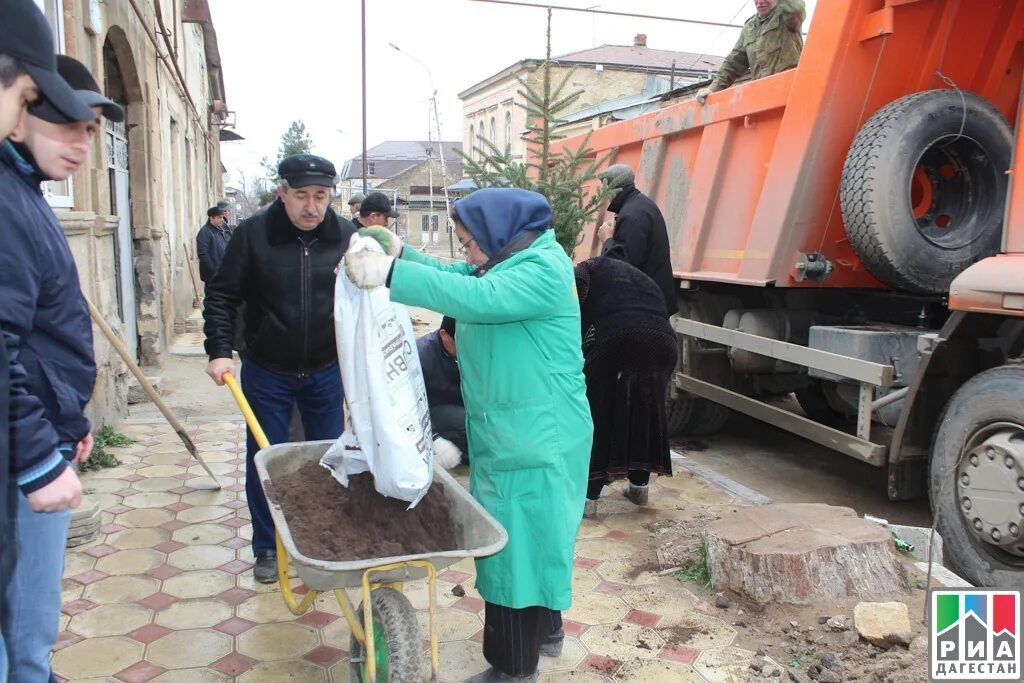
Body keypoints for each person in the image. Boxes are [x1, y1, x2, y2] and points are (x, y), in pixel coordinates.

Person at [347, 189, 593, 683]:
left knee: (513, 548)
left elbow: (477, 297)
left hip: (536, 435)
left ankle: (512, 667)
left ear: (501, 233)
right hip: (522, 428)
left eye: (469, 243)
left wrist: (391, 274)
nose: (467, 254)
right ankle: (547, 631)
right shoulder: (514, 258)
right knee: (537, 536)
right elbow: (463, 277)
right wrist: (402, 251)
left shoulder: (542, 270)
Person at [0, 52, 122, 682]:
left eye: (91, 131)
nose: (82, 145)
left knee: (30, 608)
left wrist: (67, 418)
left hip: (40, 429)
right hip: (21, 456)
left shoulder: (25, 194)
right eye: (66, 125)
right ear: (19, 114)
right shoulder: (8, 205)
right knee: (23, 609)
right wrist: (36, 457)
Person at [203, 153, 355, 583]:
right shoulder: (253, 235)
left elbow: (368, 297)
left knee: (327, 459)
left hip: (326, 370)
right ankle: (268, 547)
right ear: (281, 193)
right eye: (302, 195)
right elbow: (222, 295)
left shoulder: (344, 236)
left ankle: (319, 539)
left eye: (321, 196)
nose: (312, 207)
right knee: (267, 458)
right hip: (267, 368)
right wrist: (219, 349)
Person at [574, 257, 678, 518]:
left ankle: (588, 498)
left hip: (617, 335)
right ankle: (639, 488)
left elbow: (571, 305)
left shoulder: (585, 270)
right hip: (664, 341)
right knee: (646, 411)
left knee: (600, 411)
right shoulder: (637, 278)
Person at [596, 164, 678, 316]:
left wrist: (607, 239)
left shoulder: (631, 215)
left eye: (605, 190)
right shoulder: (641, 204)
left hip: (645, 306)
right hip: (652, 299)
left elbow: (623, 266)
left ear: (612, 190)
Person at [697, 0, 806, 104]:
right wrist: (713, 88)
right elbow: (733, 62)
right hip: (762, 97)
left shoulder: (787, 16)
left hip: (790, 93)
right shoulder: (750, 27)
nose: (760, 1)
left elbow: (795, 8)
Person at [416, 316, 466, 468]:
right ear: (444, 335)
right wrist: (434, 437)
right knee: (467, 423)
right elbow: (407, 404)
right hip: (429, 409)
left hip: (455, 401)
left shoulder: (464, 353)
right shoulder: (422, 356)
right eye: (461, 343)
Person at [196, 205, 231, 289]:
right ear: (211, 218)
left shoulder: (221, 230)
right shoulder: (205, 232)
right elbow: (203, 255)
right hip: (212, 278)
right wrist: (215, 272)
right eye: (219, 217)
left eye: (222, 217)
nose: (222, 220)